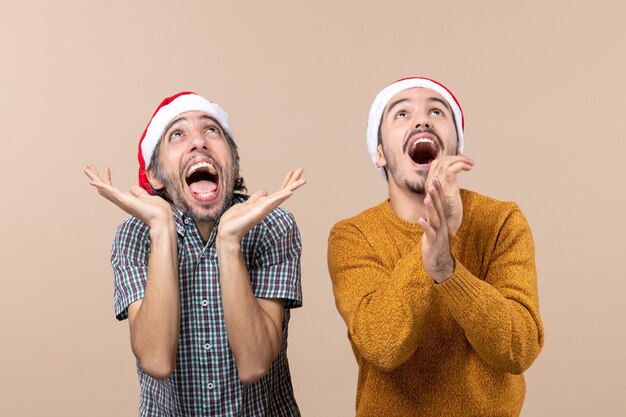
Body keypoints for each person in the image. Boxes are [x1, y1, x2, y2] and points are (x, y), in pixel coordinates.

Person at [327, 77, 544, 416]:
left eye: (436, 111)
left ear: (456, 146)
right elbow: (382, 344)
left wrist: (448, 272)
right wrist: (429, 253)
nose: (422, 120)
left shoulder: (500, 220)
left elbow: (518, 349)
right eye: (401, 114)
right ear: (380, 153)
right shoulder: (354, 235)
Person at [85, 91, 305, 416]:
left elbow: (255, 364)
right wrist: (161, 229)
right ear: (156, 176)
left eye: (212, 130)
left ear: (232, 161)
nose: (198, 142)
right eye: (177, 134)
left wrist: (229, 242)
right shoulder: (135, 235)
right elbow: (156, 360)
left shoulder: (273, 226)